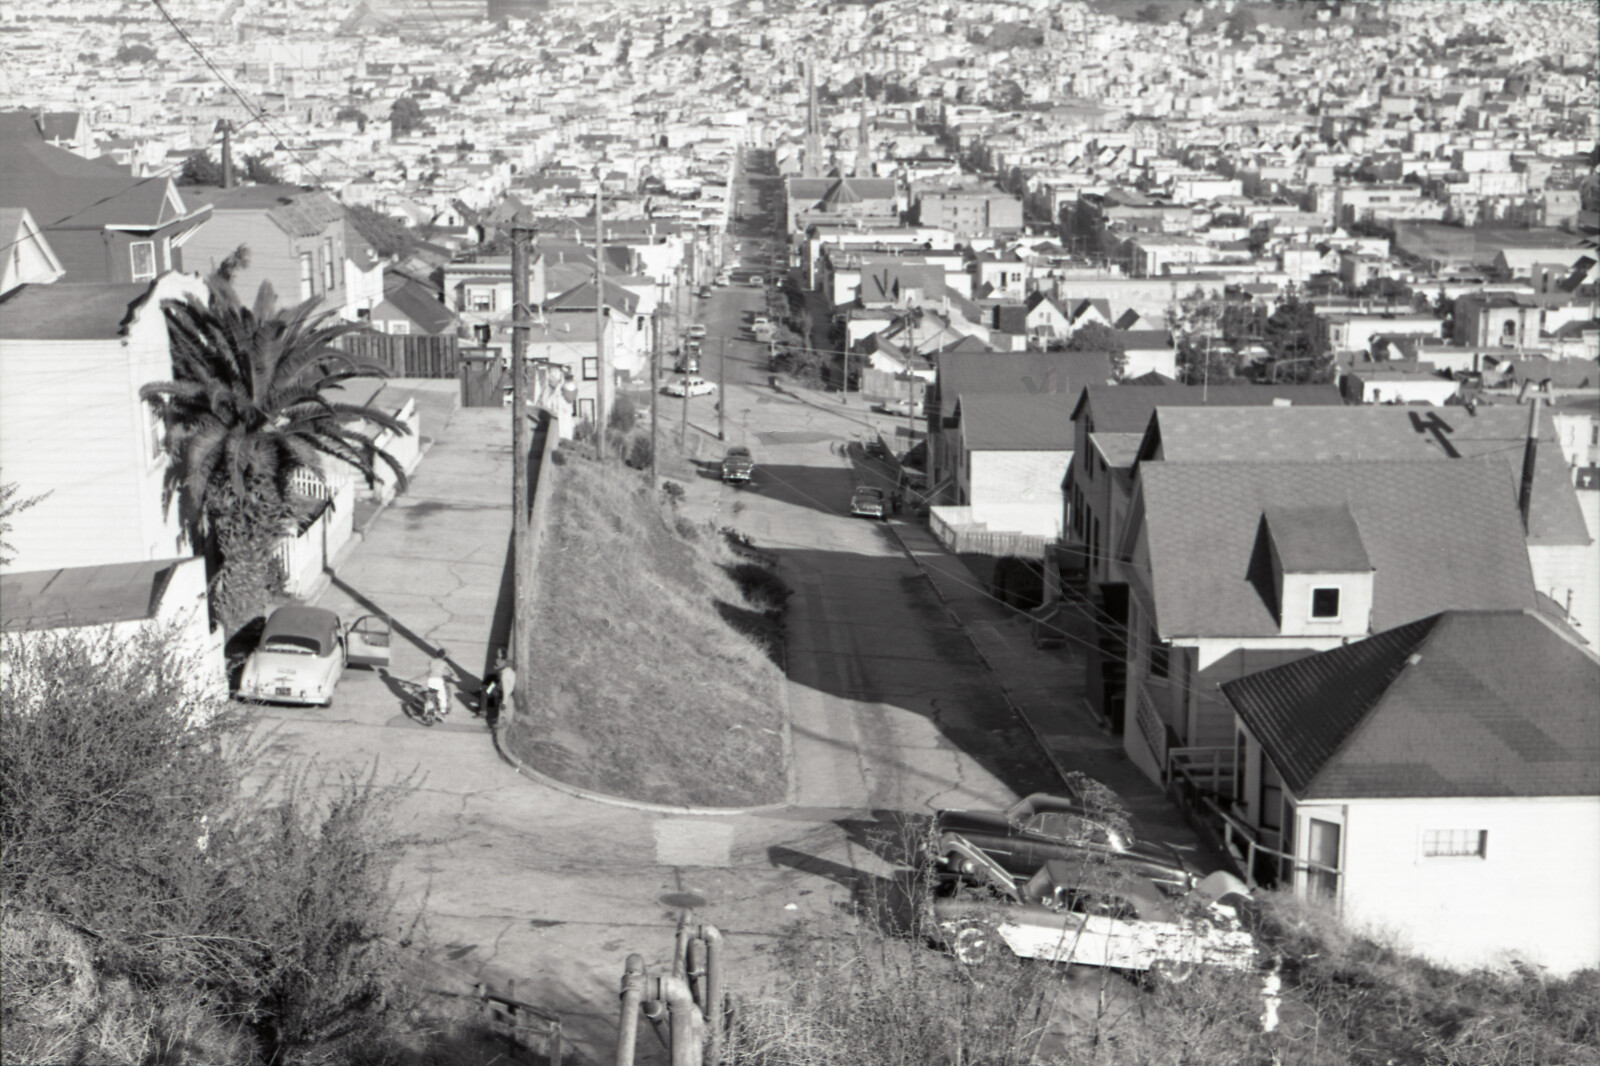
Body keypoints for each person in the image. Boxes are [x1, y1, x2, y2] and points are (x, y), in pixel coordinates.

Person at [427, 649, 452, 717]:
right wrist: (451, 675)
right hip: (438, 680)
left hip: (431, 679)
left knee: (431, 695)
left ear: (436, 654)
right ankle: (442, 712)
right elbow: (451, 672)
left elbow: (430, 670)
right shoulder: (444, 663)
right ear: (443, 656)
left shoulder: (431, 661)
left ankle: (429, 710)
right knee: (442, 696)